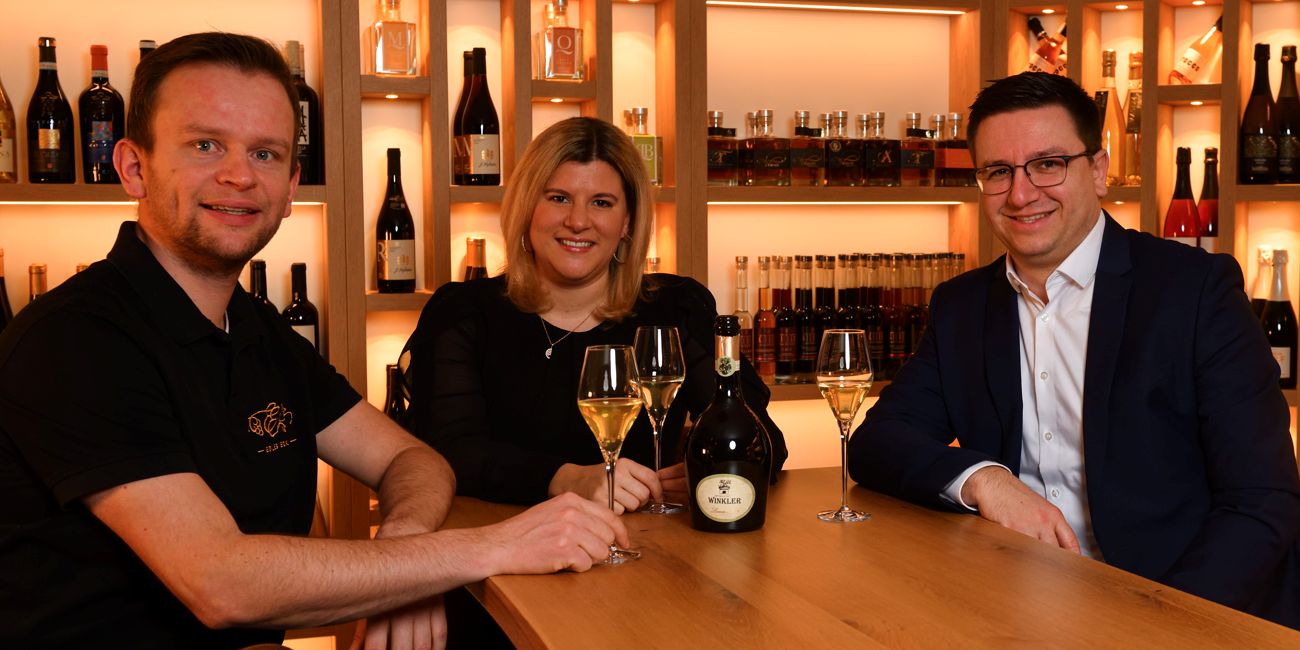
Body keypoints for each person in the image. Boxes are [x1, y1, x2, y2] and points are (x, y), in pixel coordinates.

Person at [0, 33, 630, 649]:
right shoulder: (76, 341)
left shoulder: (256, 329)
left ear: (292, 186)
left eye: (266, 154)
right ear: (134, 168)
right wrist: (497, 544)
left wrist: (406, 559)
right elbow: (222, 583)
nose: (239, 176)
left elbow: (413, 460)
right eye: (205, 145)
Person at [847, 72, 1300, 629]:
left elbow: (1262, 502)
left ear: (1099, 170)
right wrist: (987, 481)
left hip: (1178, 607)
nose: (1021, 193)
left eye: (1047, 164)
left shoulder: (1195, 291)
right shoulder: (961, 305)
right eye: (998, 172)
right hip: (1016, 605)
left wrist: (1160, 626)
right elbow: (876, 444)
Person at [404, 116, 788, 512]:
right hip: (500, 547)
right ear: (526, 209)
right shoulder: (463, 312)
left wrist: (714, 469)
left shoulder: (677, 307)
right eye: (558, 198)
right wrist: (564, 478)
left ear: (627, 222)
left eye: (601, 203)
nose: (578, 221)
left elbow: (764, 439)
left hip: (644, 546)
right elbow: (446, 453)